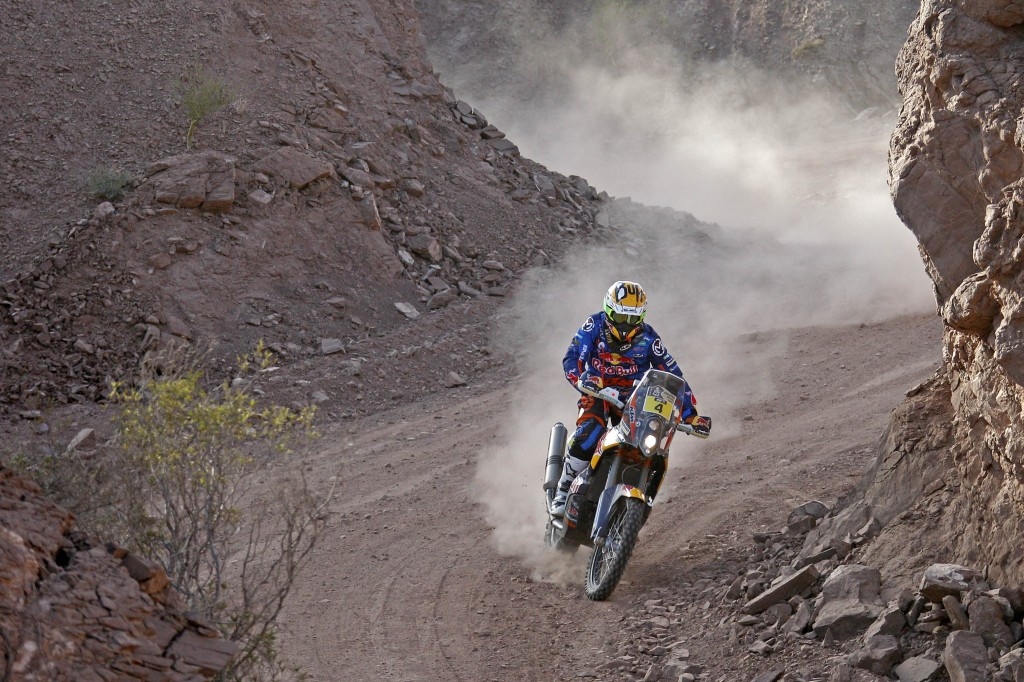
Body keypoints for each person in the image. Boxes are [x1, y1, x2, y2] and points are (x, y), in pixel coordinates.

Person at [550, 280, 706, 518]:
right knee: (591, 429)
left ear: (641, 317)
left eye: (633, 320)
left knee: (650, 439)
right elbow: (572, 357)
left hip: (634, 397)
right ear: (608, 310)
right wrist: (582, 378)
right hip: (599, 392)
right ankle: (563, 490)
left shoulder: (650, 340)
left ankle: (632, 501)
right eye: (621, 318)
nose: (625, 326)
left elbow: (674, 376)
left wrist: (691, 415)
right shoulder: (594, 325)